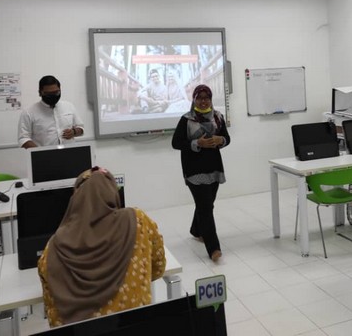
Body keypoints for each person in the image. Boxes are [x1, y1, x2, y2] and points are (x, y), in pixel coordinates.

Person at [37, 167, 166, 327]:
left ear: (75, 199)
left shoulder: (53, 248)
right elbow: (158, 268)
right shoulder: (137, 220)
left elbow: (51, 305)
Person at [171, 84, 230, 262]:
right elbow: (176, 143)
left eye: (207, 98)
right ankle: (214, 248)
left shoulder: (218, 117)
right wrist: (197, 143)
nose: (204, 101)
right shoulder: (187, 119)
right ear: (194, 99)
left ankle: (197, 230)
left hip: (214, 168)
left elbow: (227, 138)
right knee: (205, 208)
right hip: (194, 169)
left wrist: (221, 140)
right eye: (200, 98)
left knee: (207, 204)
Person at [18, 75, 84, 148]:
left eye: (56, 92)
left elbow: (81, 128)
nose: (53, 96)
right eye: (48, 94)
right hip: (43, 154)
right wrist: (39, 151)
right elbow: (23, 139)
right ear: (40, 93)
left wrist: (74, 132)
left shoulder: (69, 106)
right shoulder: (28, 112)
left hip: (70, 151)